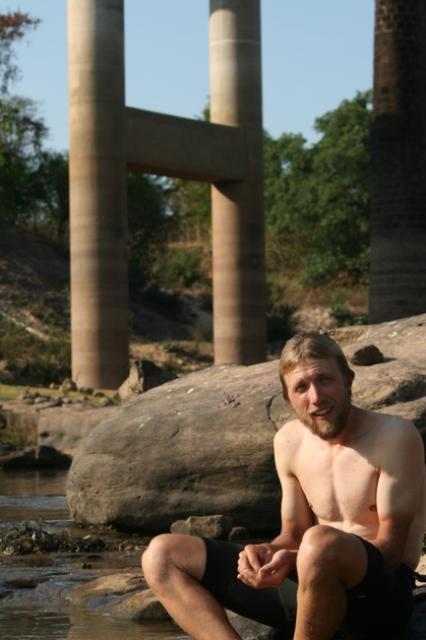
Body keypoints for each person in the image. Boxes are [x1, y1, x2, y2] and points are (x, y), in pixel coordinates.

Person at [142, 332, 426, 640]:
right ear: (288, 397)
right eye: (301, 387)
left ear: (348, 380)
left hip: (378, 598)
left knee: (319, 543)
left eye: (325, 380)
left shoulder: (394, 436)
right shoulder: (289, 441)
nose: (316, 397)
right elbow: (293, 534)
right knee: (162, 555)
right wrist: (264, 553)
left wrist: (302, 557)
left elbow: (392, 550)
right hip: (310, 583)